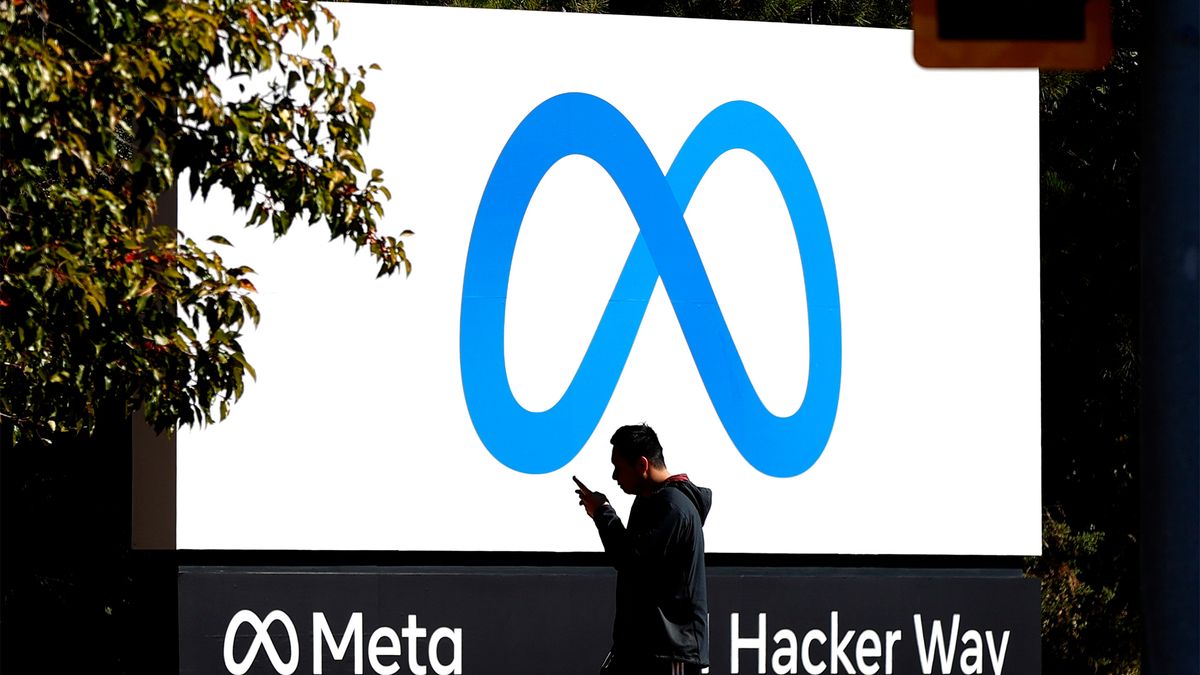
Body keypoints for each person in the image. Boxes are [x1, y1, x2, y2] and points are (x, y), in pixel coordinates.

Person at [574, 423, 712, 675]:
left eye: (618, 467)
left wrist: (602, 512)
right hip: (642, 651)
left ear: (642, 465)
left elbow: (630, 558)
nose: (614, 476)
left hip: (669, 654)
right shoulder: (651, 502)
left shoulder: (673, 506)